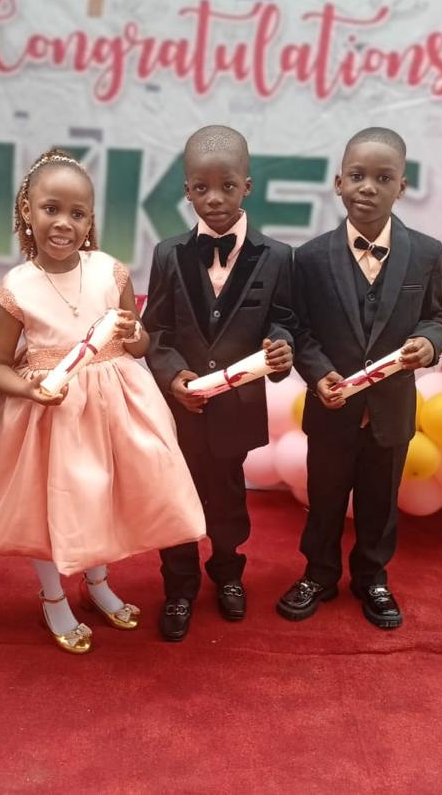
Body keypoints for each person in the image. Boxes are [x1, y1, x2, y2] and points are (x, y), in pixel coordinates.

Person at [0, 148, 205, 655]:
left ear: (91, 219)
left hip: (114, 406)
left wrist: (135, 334)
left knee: (102, 498)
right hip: (49, 415)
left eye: (77, 213)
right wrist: (30, 388)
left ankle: (97, 585)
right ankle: (53, 596)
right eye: (51, 209)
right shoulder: (16, 287)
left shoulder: (110, 271)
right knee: (48, 507)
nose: (64, 223)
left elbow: (138, 345)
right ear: (27, 211)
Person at [277, 127, 442, 630]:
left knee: (380, 502)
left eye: (383, 178)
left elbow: (436, 317)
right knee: (325, 499)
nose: (368, 187)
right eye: (357, 176)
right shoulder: (309, 258)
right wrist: (317, 374)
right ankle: (318, 573)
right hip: (333, 409)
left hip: (391, 411)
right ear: (338, 183)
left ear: (402, 186)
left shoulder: (426, 253)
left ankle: (373, 577)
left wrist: (429, 342)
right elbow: (299, 328)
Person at [142, 125, 296, 642]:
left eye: (227, 186)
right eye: (201, 188)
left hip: (237, 409)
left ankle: (228, 573)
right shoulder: (167, 254)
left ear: (247, 186)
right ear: (186, 190)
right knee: (176, 499)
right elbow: (156, 332)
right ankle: (179, 586)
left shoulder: (278, 257)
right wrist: (172, 376)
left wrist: (281, 347)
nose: (214, 198)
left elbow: (284, 322)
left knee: (229, 499)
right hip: (181, 411)